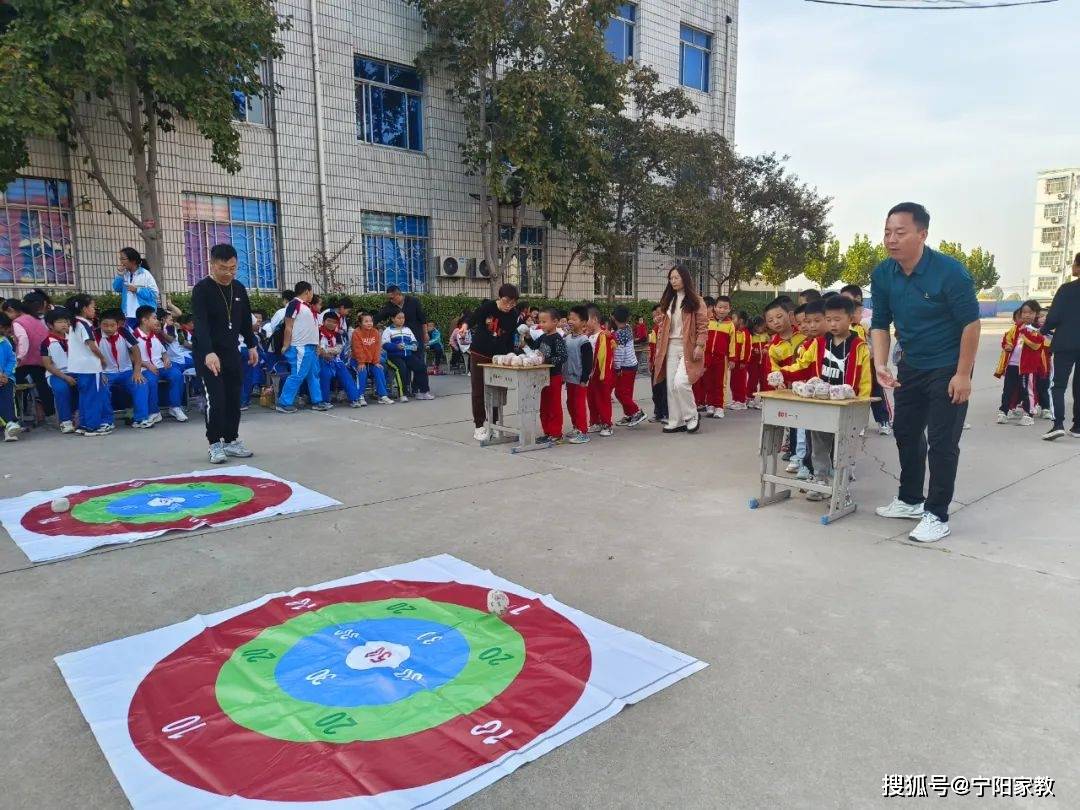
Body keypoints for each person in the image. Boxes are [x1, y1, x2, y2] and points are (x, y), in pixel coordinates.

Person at [871, 202, 980, 543]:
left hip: (948, 364)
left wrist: (962, 375)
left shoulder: (950, 272)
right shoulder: (883, 274)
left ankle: (936, 514)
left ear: (922, 234)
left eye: (900, 232)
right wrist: (880, 363)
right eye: (887, 232)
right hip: (911, 364)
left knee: (942, 441)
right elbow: (879, 324)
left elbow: (971, 325)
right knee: (905, 431)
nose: (891, 239)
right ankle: (910, 499)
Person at [779, 295, 871, 500]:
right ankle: (820, 481)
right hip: (821, 405)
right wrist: (782, 372)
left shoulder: (859, 346)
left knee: (843, 449)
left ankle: (842, 487)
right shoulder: (818, 343)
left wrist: (862, 407)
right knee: (819, 446)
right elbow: (801, 365)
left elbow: (865, 381)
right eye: (829, 319)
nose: (832, 324)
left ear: (851, 318)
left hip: (847, 407)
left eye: (838, 319)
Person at [191, 243, 259, 462]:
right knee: (216, 400)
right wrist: (208, 352)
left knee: (233, 398)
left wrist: (251, 345)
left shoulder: (238, 288)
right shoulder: (202, 289)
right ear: (212, 265)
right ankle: (214, 444)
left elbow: (244, 320)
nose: (228, 273)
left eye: (233, 268)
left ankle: (230, 440)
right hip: (209, 354)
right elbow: (200, 325)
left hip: (231, 352)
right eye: (223, 268)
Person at [652, 265, 708, 434]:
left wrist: (700, 345)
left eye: (676, 277)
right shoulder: (669, 300)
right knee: (670, 386)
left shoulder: (696, 300)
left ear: (685, 278)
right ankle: (676, 420)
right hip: (670, 346)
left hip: (688, 347)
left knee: (681, 382)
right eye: (671, 278)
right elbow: (663, 326)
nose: (673, 281)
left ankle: (691, 416)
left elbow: (703, 325)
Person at [465, 284, 520, 441]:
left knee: (497, 390)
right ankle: (479, 426)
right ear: (499, 297)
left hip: (498, 357)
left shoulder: (513, 314)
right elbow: (473, 318)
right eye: (506, 301)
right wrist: (465, 326)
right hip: (479, 353)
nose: (509, 305)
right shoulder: (488, 306)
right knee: (478, 389)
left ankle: (494, 423)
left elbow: (509, 336)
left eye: (513, 302)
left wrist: (510, 354)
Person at [841, 284, 892, 434]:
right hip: (853, 364)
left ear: (857, 299)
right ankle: (859, 423)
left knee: (876, 391)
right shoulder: (846, 320)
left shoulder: (868, 318)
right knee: (856, 392)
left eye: (846, 299)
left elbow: (880, 338)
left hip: (870, 362)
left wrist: (879, 361)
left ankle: (884, 421)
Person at [1041, 252, 1080, 441]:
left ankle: (1058, 424)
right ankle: (1078, 426)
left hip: (1066, 344)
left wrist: (1043, 331)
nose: (1072, 267)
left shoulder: (1066, 289)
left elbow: (1054, 317)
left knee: (1058, 385)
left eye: (1074, 263)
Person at [276, 281, 328, 414]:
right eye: (311, 292)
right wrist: (286, 344)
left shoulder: (307, 307)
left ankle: (317, 401)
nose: (312, 295)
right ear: (307, 291)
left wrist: (316, 345)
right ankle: (284, 403)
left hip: (310, 347)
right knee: (298, 375)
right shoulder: (294, 304)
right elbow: (288, 326)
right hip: (300, 347)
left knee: (313, 375)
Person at [64, 294, 113, 436]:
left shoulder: (74, 324)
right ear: (85, 309)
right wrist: (102, 358)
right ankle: (92, 426)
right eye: (92, 307)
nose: (94, 309)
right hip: (90, 367)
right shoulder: (84, 324)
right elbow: (91, 345)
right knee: (93, 397)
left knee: (85, 397)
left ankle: (84, 425)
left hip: (79, 367)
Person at [97, 310, 153, 429]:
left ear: (118, 325)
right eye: (105, 325)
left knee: (141, 383)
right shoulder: (95, 335)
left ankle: (141, 419)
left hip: (126, 372)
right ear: (99, 324)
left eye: (112, 325)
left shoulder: (124, 332)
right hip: (106, 373)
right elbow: (92, 357)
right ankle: (107, 421)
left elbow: (136, 351)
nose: (109, 328)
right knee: (101, 387)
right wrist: (100, 373)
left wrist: (137, 372)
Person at [132, 306, 187, 424]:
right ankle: (154, 412)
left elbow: (163, 351)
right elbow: (130, 356)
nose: (157, 321)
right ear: (144, 320)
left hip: (161, 367)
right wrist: (146, 364)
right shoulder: (133, 336)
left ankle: (175, 407)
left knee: (176, 374)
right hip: (145, 368)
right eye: (154, 318)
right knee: (150, 380)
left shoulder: (156, 335)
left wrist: (166, 358)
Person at [994, 301, 1045, 427]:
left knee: (1027, 390)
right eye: (1024, 312)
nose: (1027, 315)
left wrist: (1025, 335)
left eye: (1030, 312)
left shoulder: (1038, 330)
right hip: (1012, 364)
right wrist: (1007, 345)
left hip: (1027, 367)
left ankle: (1029, 414)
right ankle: (1004, 411)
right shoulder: (1016, 327)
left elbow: (1037, 345)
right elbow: (1007, 339)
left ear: (1036, 314)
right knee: (1008, 389)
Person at [525, 307, 568, 442]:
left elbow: (563, 357)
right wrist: (526, 338)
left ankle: (556, 433)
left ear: (555, 322)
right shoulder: (543, 337)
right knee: (544, 406)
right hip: (542, 377)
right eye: (540, 321)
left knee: (554, 405)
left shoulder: (557, 339)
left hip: (554, 376)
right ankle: (547, 432)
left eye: (544, 322)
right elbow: (533, 346)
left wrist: (546, 360)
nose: (541, 324)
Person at [375, 286, 426, 392]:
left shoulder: (413, 301)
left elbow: (422, 319)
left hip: (415, 336)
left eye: (392, 298)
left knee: (418, 362)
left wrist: (425, 333)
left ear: (398, 295)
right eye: (389, 298)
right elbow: (379, 317)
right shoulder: (390, 306)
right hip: (398, 341)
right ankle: (405, 388)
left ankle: (417, 388)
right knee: (404, 365)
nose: (390, 300)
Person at [14, 291, 53, 422]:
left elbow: (23, 340)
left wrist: (19, 358)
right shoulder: (38, 321)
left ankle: (17, 414)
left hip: (26, 361)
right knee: (43, 387)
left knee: (12, 382)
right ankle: (50, 413)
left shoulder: (18, 321)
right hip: (41, 360)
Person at [40, 309, 77, 434]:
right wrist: (65, 377)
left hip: (75, 371)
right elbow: (48, 365)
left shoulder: (73, 339)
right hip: (56, 374)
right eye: (60, 322)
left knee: (86, 385)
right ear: (50, 325)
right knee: (62, 389)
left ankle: (80, 416)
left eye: (66, 322)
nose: (64, 324)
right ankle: (65, 421)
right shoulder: (46, 342)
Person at [382, 309, 433, 402]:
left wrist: (414, 345)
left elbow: (413, 341)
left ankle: (423, 392)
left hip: (408, 355)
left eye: (403, 318)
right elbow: (385, 345)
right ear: (393, 319)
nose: (402, 320)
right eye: (399, 318)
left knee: (421, 366)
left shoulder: (407, 329)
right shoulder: (388, 330)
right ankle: (402, 394)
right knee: (402, 368)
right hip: (394, 357)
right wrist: (396, 346)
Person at [318, 311, 362, 408]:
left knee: (346, 375)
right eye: (328, 321)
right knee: (325, 375)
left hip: (336, 360)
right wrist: (325, 353)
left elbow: (339, 348)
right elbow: (318, 348)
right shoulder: (318, 332)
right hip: (322, 360)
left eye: (334, 322)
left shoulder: (337, 334)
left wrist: (328, 351)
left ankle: (354, 399)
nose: (331, 324)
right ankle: (324, 401)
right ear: (324, 321)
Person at [563, 305, 594, 444]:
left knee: (579, 405)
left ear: (583, 322)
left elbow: (588, 363)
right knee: (570, 403)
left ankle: (583, 432)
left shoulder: (584, 341)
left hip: (579, 379)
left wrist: (584, 378)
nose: (570, 321)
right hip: (569, 378)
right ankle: (576, 426)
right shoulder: (567, 338)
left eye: (574, 319)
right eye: (569, 318)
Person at [611, 306, 645, 427]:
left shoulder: (619, 334)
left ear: (614, 317)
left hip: (625, 367)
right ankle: (629, 415)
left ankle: (636, 412)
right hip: (632, 364)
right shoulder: (628, 328)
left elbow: (619, 353)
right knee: (627, 392)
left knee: (620, 393)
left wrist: (617, 368)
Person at [585, 304, 616, 437]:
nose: (584, 323)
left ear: (594, 319)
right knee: (591, 398)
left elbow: (607, 358)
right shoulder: (589, 336)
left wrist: (604, 374)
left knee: (603, 399)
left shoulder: (604, 335)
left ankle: (606, 424)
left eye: (585, 319)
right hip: (591, 374)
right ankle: (595, 421)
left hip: (601, 373)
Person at [698, 298, 732, 419]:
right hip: (707, 357)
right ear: (715, 308)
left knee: (720, 383)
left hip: (721, 358)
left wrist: (732, 358)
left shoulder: (730, 325)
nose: (722, 310)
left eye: (725, 307)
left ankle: (719, 407)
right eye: (720, 307)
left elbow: (732, 343)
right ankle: (710, 405)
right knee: (708, 382)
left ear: (729, 309)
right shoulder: (708, 321)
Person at [351, 313, 395, 404]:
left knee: (379, 369)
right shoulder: (356, 333)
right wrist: (361, 362)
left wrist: (376, 362)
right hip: (358, 361)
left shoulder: (375, 332)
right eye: (366, 321)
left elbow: (377, 348)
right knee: (362, 372)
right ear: (360, 323)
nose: (369, 323)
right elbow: (357, 349)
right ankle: (360, 396)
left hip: (371, 361)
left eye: (370, 321)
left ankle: (382, 395)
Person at [112, 247, 160, 329]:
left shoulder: (145, 274)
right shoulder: (125, 274)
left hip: (143, 316)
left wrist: (138, 290)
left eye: (123, 259)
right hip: (128, 315)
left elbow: (154, 294)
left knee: (143, 339)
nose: (121, 262)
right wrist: (120, 275)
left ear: (133, 261)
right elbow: (116, 288)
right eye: (120, 259)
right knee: (131, 339)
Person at [0, 314, 21, 441]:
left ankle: (10, 426)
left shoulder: (5, 342)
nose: (6, 331)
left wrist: (6, 375)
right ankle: (8, 424)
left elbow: (12, 360)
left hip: (6, 379)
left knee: (7, 395)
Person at [728, 310, 752, 410]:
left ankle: (741, 401)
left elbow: (746, 349)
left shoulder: (745, 334)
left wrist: (743, 362)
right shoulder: (735, 332)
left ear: (740, 320)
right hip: (735, 362)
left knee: (740, 382)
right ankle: (735, 399)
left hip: (741, 364)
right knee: (733, 381)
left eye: (733, 318)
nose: (731, 320)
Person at [647, 304, 667, 423]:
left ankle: (666, 413)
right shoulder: (654, 330)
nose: (657, 318)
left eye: (659, 314)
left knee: (665, 390)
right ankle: (658, 413)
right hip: (656, 365)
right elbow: (651, 348)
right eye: (654, 316)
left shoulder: (669, 328)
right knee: (656, 390)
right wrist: (650, 362)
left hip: (665, 365)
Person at [747, 315, 769, 408]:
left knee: (764, 381)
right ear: (755, 326)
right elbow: (748, 346)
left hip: (764, 362)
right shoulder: (750, 336)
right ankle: (750, 398)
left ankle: (762, 400)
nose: (764, 328)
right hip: (753, 362)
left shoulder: (766, 335)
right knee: (753, 380)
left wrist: (766, 348)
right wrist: (753, 350)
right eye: (762, 326)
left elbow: (770, 343)